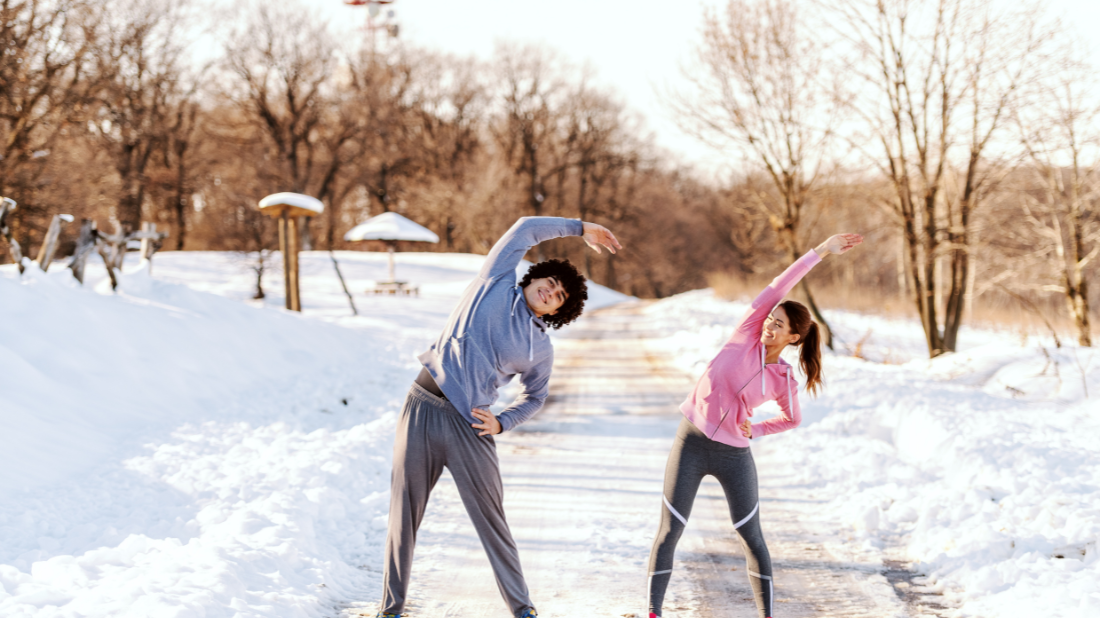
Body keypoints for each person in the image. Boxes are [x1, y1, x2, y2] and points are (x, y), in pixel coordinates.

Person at [376, 216, 622, 618]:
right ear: (532, 276)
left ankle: (522, 609)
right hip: (422, 405)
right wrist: (581, 228)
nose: (550, 291)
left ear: (560, 309)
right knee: (403, 512)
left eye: (559, 295)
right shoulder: (494, 282)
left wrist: (503, 421)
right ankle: (391, 609)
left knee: (492, 520)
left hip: (470, 426)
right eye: (550, 281)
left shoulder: (539, 348)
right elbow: (525, 228)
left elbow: (536, 396)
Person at [646, 233, 863, 618]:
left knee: (751, 537)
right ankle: (652, 612)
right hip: (691, 442)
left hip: (734, 455)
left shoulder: (784, 379)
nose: (769, 327)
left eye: (779, 326)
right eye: (771, 319)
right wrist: (820, 251)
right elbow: (781, 283)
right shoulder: (746, 333)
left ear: (793, 338)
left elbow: (792, 418)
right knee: (669, 532)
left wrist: (757, 429)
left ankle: (766, 615)